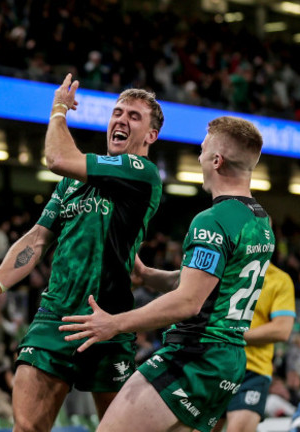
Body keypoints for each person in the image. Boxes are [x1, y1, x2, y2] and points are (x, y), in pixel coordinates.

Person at [0, 73, 165, 431]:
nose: (121, 120)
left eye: (134, 116)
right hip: (54, 317)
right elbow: (36, 241)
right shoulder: (74, 183)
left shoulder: (141, 172)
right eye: (117, 112)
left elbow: (56, 155)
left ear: (151, 135)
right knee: (26, 428)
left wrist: (58, 110)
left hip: (108, 322)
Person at [60, 116, 273, 432]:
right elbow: (204, 285)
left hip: (194, 356)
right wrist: (146, 274)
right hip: (228, 363)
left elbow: (188, 302)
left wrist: (114, 323)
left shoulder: (212, 220)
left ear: (217, 160)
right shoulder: (260, 221)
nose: (199, 157)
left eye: (202, 151)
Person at [220, 263, 295, 432]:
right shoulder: (222, 268)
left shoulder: (279, 279)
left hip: (252, 371)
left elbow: (281, 330)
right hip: (214, 363)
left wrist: (229, 337)